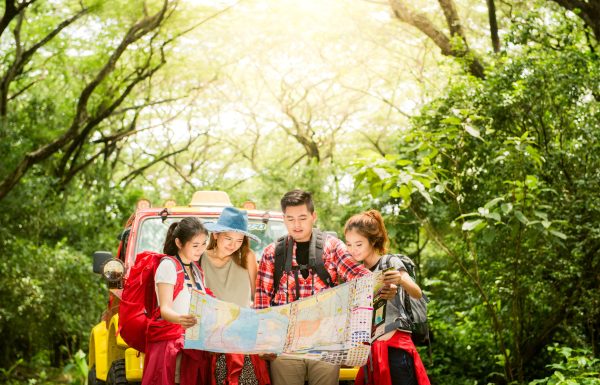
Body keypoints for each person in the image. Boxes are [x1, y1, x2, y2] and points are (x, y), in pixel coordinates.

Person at [254, 189, 394, 385]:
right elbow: (262, 300)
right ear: (284, 219)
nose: (297, 224)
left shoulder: (332, 247)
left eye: (302, 217)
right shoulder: (272, 253)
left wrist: (385, 286)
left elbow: (360, 277)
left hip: (326, 344)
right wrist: (263, 341)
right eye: (290, 218)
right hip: (284, 347)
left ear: (313, 216)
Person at [344, 210, 430, 385]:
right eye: (349, 244)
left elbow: (416, 292)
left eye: (358, 244)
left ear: (373, 240)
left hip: (395, 347)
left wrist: (400, 280)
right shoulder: (356, 273)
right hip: (370, 351)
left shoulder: (389, 263)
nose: (353, 250)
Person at [203, 206, 270, 385]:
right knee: (217, 378)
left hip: (242, 333)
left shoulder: (246, 256)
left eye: (239, 240)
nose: (233, 245)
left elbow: (258, 296)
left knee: (245, 379)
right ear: (216, 235)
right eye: (228, 238)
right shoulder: (200, 257)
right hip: (211, 333)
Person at [142, 217, 211, 385]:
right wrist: (181, 319)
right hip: (171, 343)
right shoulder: (168, 266)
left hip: (192, 342)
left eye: (203, 244)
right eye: (195, 245)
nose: (200, 250)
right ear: (179, 243)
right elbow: (165, 308)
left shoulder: (196, 270)